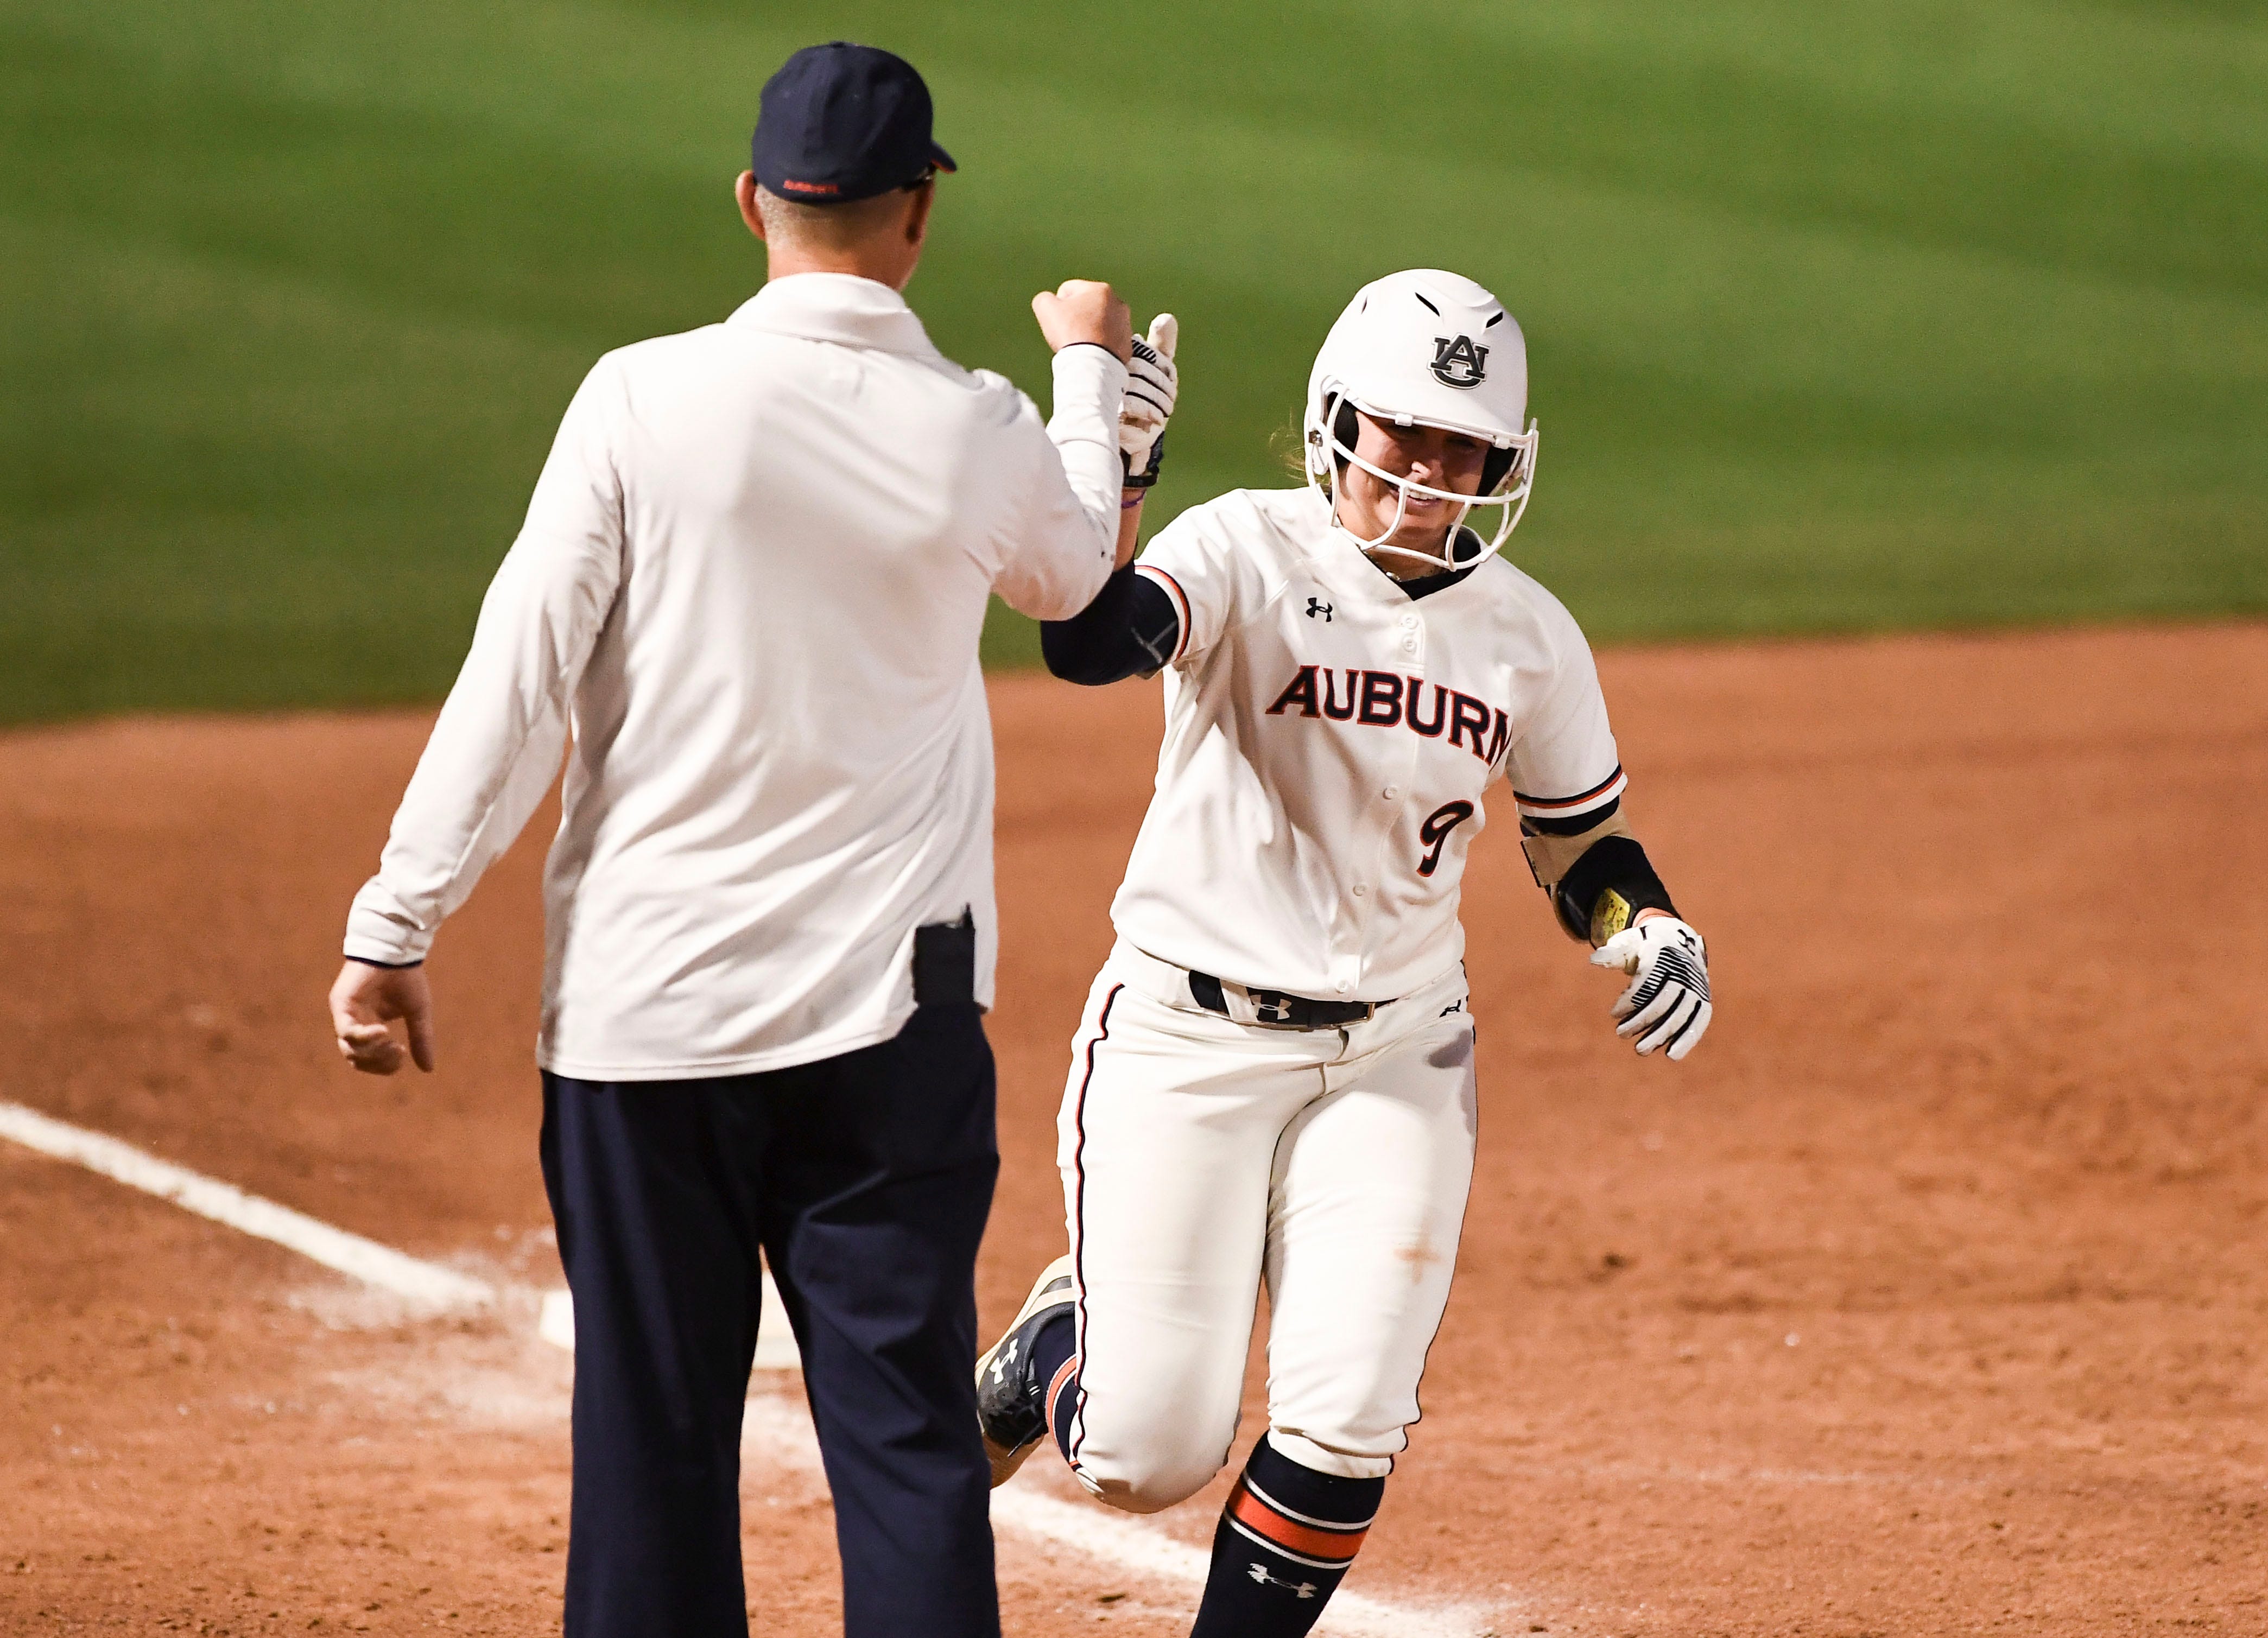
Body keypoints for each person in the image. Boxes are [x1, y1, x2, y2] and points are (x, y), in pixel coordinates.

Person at [323, 41, 1176, 1638]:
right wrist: (1092, 382)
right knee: (913, 1443)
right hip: (890, 1034)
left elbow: (521, 676)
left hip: (647, 1026)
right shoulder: (973, 423)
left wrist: (397, 922)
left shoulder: (639, 398)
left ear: (752, 204)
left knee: (648, 1449)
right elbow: (1077, 579)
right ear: (920, 213)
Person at [973, 268, 1713, 1636]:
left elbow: (1579, 844)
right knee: (1144, 1459)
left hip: (1396, 1052)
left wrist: (1647, 923)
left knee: (1352, 1414)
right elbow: (1082, 647)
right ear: (1335, 425)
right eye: (1405, 437)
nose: (1433, 475)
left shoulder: (1530, 638)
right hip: (1186, 1040)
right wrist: (1118, 465)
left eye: (1466, 450)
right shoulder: (1242, 550)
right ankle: (1057, 1346)